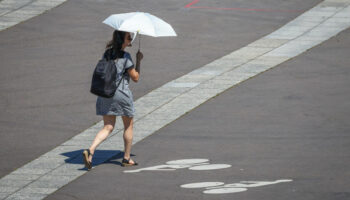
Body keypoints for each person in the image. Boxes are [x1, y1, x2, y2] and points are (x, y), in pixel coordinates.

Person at [83, 30, 143, 170]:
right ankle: (126, 158)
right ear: (123, 40)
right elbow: (136, 78)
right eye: (129, 37)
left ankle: (91, 151)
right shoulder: (126, 57)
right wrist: (139, 61)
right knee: (128, 125)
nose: (131, 40)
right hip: (121, 94)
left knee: (108, 127)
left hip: (105, 93)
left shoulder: (107, 53)